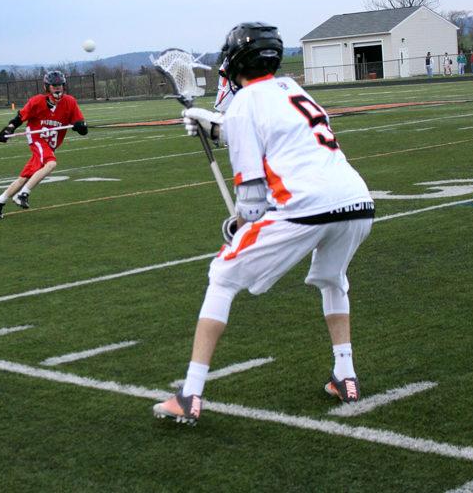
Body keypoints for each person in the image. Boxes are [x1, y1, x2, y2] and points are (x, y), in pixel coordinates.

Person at [152, 22, 375, 425]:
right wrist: (216, 126)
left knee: (221, 276)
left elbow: (253, 195)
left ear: (234, 61)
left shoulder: (243, 104)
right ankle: (346, 375)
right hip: (357, 201)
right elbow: (277, 136)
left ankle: (190, 394)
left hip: (306, 206)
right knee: (333, 279)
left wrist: (239, 224)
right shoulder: (293, 90)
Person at [0, 70, 87, 219]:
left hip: (50, 144)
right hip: (36, 138)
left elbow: (80, 125)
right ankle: (23, 195)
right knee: (51, 163)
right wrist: (6, 131)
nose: (58, 88)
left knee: (24, 178)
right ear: (47, 87)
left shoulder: (70, 102)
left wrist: (81, 127)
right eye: (54, 85)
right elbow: (18, 118)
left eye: (60, 85)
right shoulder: (37, 101)